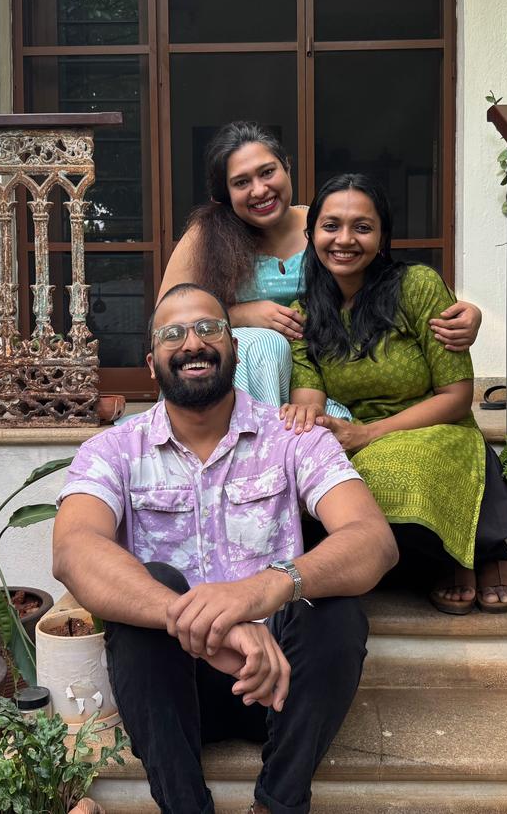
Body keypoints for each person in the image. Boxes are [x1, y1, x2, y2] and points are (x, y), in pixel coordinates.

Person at [52, 282, 398, 814]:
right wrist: (195, 620)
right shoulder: (113, 449)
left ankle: (278, 804)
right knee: (153, 585)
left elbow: (373, 540)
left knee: (336, 605)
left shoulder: (293, 436)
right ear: (151, 363)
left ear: (233, 346)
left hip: (278, 683)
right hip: (172, 691)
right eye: (173, 333)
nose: (192, 342)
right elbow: (73, 549)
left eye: (208, 327)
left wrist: (261, 591)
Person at [280, 174, 507, 615]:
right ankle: (444, 560)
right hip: (360, 436)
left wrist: (368, 433)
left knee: (402, 466)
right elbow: (309, 396)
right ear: (311, 232)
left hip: (435, 426)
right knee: (344, 491)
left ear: (383, 236)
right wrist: (311, 423)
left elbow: (456, 395)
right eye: (331, 226)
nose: (345, 240)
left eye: (362, 227)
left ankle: (479, 556)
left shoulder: (418, 286)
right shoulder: (306, 314)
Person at [158, 121, 483, 409]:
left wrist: (466, 312)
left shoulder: (328, 227)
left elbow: (385, 283)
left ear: (287, 167)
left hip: (321, 380)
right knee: (264, 344)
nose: (259, 189)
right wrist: (240, 314)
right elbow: (165, 320)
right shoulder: (206, 236)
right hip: (237, 382)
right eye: (241, 182)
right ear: (225, 193)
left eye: (267, 172)